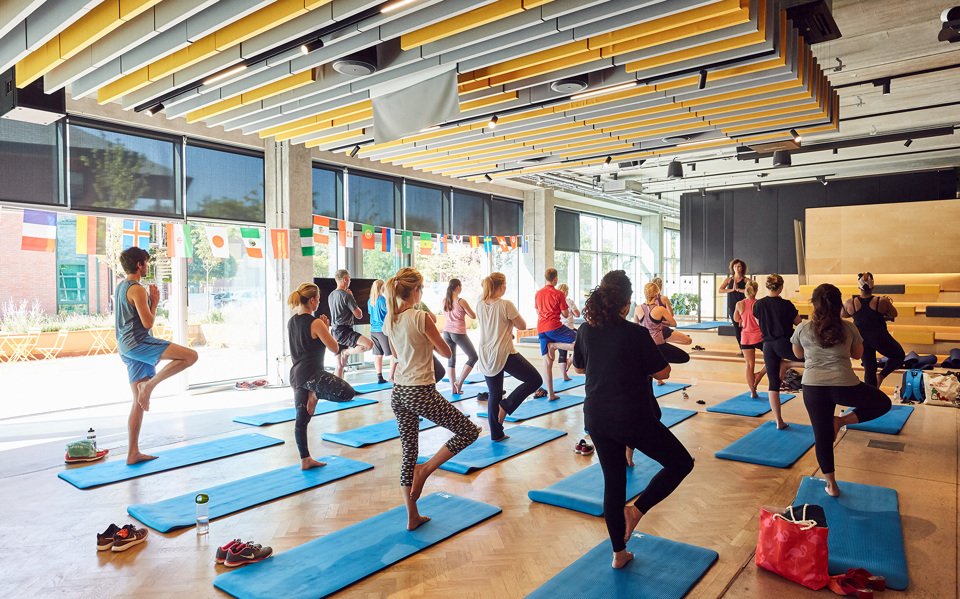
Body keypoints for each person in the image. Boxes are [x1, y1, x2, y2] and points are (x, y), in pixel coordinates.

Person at [572, 270, 694, 569]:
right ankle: (637, 511)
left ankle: (618, 554)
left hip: (597, 417)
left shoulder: (586, 330)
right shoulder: (635, 334)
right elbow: (663, 372)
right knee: (681, 463)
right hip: (631, 417)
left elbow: (578, 368)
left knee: (613, 483)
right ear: (626, 304)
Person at [383, 268, 480, 530]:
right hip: (419, 391)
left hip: (399, 392)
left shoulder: (390, 318)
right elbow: (446, 350)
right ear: (416, 290)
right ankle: (425, 470)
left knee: (408, 452)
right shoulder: (421, 317)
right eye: (421, 288)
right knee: (468, 431)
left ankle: (412, 516)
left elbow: (395, 352)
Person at [792, 284, 891, 497]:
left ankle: (832, 485)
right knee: (884, 403)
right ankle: (841, 421)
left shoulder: (803, 328)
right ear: (839, 304)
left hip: (813, 387)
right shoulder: (848, 327)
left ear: (814, 304)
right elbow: (857, 355)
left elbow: (798, 354)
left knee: (822, 435)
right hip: (844, 386)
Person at [114, 247, 198, 464]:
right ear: (139, 265)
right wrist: (155, 301)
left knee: (137, 403)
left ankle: (132, 453)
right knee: (190, 356)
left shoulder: (121, 286)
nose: (147, 266)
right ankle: (149, 386)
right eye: (146, 262)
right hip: (138, 343)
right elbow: (148, 323)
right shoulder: (137, 289)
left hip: (126, 347)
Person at [287, 283, 357, 469]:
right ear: (311, 300)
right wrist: (325, 328)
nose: (318, 303)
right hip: (311, 375)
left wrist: (323, 330)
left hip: (296, 375)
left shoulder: (291, 321)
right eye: (318, 299)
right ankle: (315, 393)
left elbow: (307, 345)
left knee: (302, 419)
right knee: (347, 393)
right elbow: (334, 348)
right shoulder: (315, 322)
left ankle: (305, 459)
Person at [476, 272, 543, 441]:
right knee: (535, 380)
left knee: (494, 393)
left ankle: (496, 434)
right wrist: (509, 327)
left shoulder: (480, 303)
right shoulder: (506, 305)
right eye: (505, 284)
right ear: (500, 286)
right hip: (504, 352)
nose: (506, 287)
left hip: (485, 353)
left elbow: (491, 326)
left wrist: (506, 331)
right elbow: (522, 326)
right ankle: (506, 405)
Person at [753, 274, 803, 429]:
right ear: (781, 287)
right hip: (784, 343)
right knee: (811, 360)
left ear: (767, 287)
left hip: (768, 345)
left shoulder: (758, 304)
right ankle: (787, 364)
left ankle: (778, 421)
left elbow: (758, 321)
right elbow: (799, 324)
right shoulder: (786, 305)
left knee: (773, 384)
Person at [842, 272, 905, 388]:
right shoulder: (881, 301)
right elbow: (894, 314)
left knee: (869, 368)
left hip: (862, 340)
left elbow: (843, 315)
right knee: (899, 355)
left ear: (858, 286)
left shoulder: (850, 303)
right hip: (880, 338)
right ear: (873, 286)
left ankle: (870, 398)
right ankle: (881, 376)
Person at [633, 282, 690, 387]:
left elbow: (636, 325)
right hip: (659, 344)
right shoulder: (660, 309)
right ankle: (659, 364)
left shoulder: (638, 308)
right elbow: (673, 323)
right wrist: (660, 322)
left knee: (649, 375)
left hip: (646, 344)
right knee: (684, 357)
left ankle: (654, 367)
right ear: (656, 294)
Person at [534, 268, 576, 400]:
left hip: (541, 329)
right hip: (555, 327)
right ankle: (554, 345)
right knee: (581, 340)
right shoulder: (559, 294)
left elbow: (537, 310)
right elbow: (564, 314)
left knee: (547, 362)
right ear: (556, 279)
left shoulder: (538, 293)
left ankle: (551, 395)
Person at [328, 269, 373, 378]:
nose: (350, 281)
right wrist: (352, 297)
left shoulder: (331, 295)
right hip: (345, 331)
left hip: (334, 331)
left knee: (340, 365)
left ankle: (338, 392)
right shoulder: (346, 295)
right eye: (349, 279)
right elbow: (359, 315)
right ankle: (346, 352)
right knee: (369, 344)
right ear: (345, 279)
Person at [442, 278, 479, 394]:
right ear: (457, 287)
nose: (461, 288)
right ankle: (459, 383)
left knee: (451, 360)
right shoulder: (461, 301)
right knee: (473, 357)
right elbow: (473, 316)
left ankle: (453, 389)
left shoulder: (445, 300)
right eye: (461, 286)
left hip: (446, 332)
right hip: (457, 333)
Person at [733, 281, 767, 397]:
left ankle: (753, 392)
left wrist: (744, 319)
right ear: (756, 290)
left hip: (746, 338)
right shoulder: (760, 303)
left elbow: (736, 319)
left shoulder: (739, 304)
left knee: (749, 365)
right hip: (759, 337)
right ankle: (759, 375)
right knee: (774, 358)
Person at [368, 279, 396, 385]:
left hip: (373, 331)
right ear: (382, 288)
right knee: (394, 354)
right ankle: (391, 376)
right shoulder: (382, 300)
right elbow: (389, 313)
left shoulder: (370, 300)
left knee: (378, 355)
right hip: (382, 331)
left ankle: (379, 377)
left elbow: (370, 313)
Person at [651, 276, 692, 347]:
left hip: (652, 331)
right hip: (663, 330)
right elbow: (671, 315)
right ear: (660, 287)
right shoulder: (664, 299)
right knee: (689, 340)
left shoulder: (648, 301)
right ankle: (664, 341)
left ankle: (664, 341)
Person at [719, 259, 748, 347]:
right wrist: (732, 290)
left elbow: (751, 292)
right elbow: (720, 290)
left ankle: (747, 347)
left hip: (744, 307)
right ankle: (742, 348)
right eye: (735, 266)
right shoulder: (728, 280)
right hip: (732, 307)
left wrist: (739, 289)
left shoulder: (746, 280)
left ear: (742, 268)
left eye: (739, 266)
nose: (736, 268)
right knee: (737, 328)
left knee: (744, 327)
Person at [557, 283, 581, 381]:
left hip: (558, 330)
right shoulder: (569, 301)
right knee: (581, 345)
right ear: (566, 292)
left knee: (562, 353)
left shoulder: (555, 301)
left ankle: (564, 376)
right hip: (569, 329)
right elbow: (578, 314)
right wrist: (571, 308)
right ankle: (570, 359)